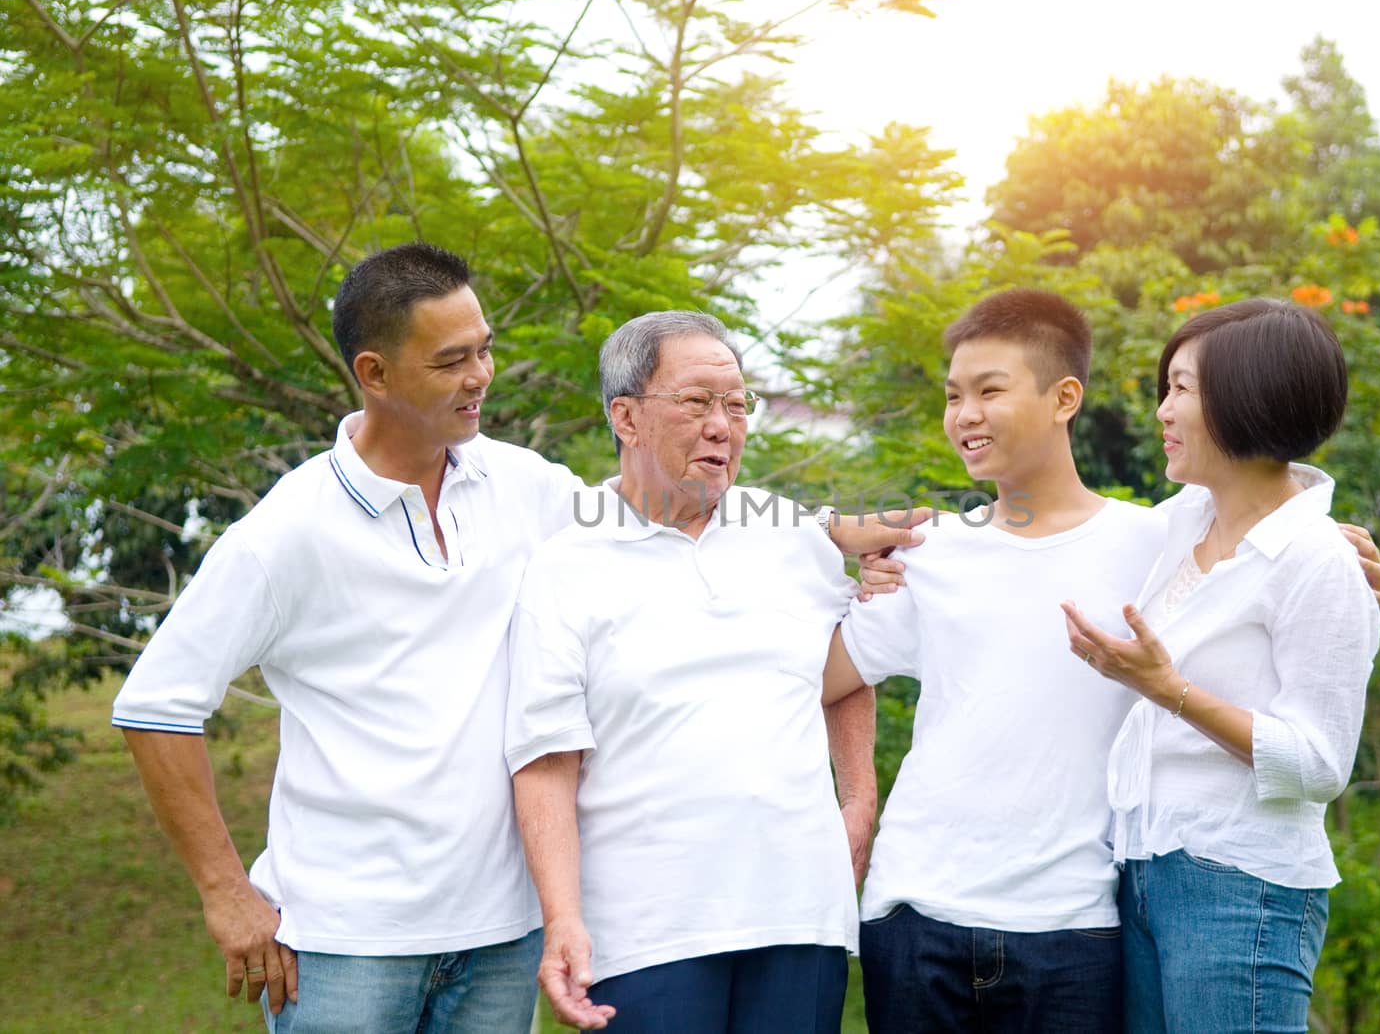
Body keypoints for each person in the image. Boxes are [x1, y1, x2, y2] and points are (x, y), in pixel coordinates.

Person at [111, 245, 913, 1032]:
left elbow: (663, 504)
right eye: (452, 359)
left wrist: (837, 533)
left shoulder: (523, 485)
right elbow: (156, 706)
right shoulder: (285, 532)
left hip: (501, 930)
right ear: (375, 373)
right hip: (349, 938)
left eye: (485, 349)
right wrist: (225, 893)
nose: (481, 376)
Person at [821, 290, 1380, 1033]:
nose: (965, 413)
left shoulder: (1149, 546)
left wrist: (1333, 544)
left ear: (1065, 398)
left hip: (1085, 921)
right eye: (953, 395)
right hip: (922, 911)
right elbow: (822, 675)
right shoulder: (938, 556)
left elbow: (1266, 539)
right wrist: (823, 544)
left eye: (990, 390)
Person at [506, 311, 904, 1033]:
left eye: (736, 404)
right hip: (648, 929)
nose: (723, 425)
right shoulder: (566, 564)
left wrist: (860, 800)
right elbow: (546, 760)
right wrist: (562, 917)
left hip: (798, 915)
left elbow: (844, 668)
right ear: (626, 416)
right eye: (696, 402)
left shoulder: (793, 535)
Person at [1062, 298, 1380, 1034]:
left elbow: (1318, 764)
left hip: (1241, 887)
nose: (1162, 411)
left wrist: (1167, 690)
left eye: (1182, 388)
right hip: (1144, 868)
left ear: (1248, 398)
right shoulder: (1182, 522)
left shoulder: (1317, 562)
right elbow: (1059, 531)